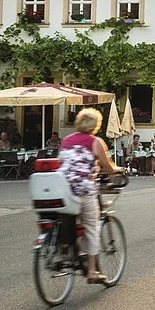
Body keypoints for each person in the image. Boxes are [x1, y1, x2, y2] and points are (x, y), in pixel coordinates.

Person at [58, 108, 122, 284]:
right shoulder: (95, 141)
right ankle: (92, 271)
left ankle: (67, 248)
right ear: (95, 125)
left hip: (61, 188)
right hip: (83, 189)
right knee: (92, 227)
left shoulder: (66, 140)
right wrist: (118, 170)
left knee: (69, 216)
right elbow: (107, 166)